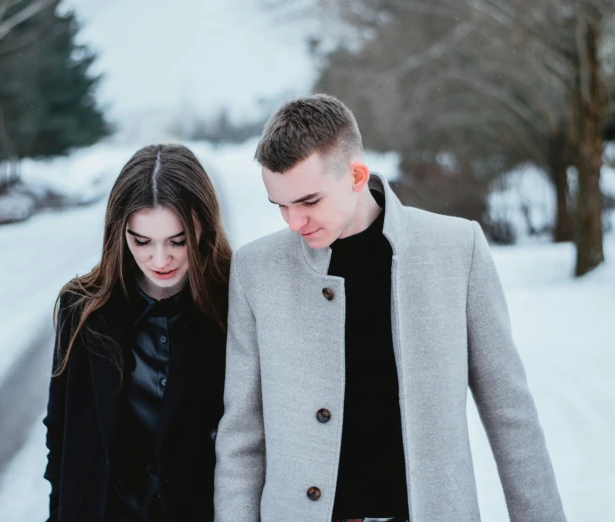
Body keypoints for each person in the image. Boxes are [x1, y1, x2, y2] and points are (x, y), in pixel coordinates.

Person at [214, 94, 566, 522]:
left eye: (308, 201)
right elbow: (241, 440)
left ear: (357, 175)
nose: (293, 222)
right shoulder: (256, 269)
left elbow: (511, 416)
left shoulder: (457, 248)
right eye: (281, 205)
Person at [43, 143, 231, 521]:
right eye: (141, 241)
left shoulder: (236, 302)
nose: (160, 260)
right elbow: (61, 435)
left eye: (177, 240)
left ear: (203, 225)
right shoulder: (81, 308)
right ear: (119, 232)